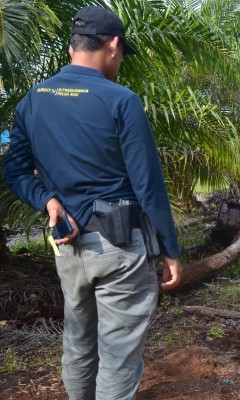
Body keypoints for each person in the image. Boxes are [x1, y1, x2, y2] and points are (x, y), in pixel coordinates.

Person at [2, 6, 182, 399]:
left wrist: (48, 200)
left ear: (72, 48)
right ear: (113, 45)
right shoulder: (121, 100)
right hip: (119, 248)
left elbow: (14, 172)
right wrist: (170, 250)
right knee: (118, 355)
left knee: (79, 340)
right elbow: (148, 185)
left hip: (68, 246)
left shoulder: (34, 99)